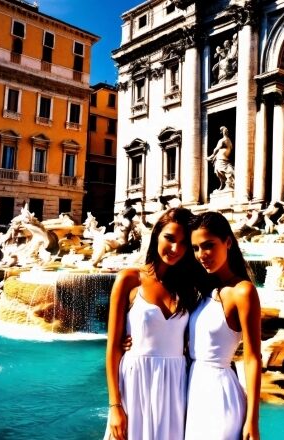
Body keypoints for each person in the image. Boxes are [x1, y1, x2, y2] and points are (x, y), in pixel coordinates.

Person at [104, 207, 202, 440]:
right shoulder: (129, 279)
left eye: (183, 243)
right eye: (169, 238)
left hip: (176, 383)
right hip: (136, 381)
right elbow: (112, 350)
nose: (175, 248)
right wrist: (115, 406)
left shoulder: (189, 287)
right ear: (156, 234)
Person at [186, 211, 262, 440]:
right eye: (196, 248)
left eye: (208, 245)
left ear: (228, 242)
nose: (201, 255)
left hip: (220, 394)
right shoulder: (205, 289)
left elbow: (252, 358)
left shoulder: (243, 291)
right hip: (193, 389)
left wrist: (252, 419)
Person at [207, 126, 235, 192]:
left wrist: (211, 156)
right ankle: (223, 185)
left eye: (224, 131)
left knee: (219, 170)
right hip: (222, 158)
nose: (224, 132)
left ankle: (227, 184)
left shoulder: (223, 140)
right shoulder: (229, 140)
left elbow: (216, 149)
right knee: (218, 171)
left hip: (222, 159)